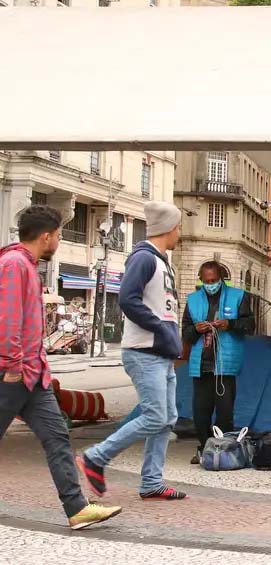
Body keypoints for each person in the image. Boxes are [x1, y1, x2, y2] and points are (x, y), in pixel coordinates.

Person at [0, 205, 122, 529]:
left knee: (57, 438)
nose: (59, 240)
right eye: (58, 235)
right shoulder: (14, 265)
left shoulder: (27, 265)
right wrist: (12, 365)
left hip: (33, 377)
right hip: (12, 374)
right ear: (46, 236)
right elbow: (8, 319)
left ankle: (76, 508)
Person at [78, 202, 187, 500]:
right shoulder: (144, 259)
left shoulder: (163, 262)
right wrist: (162, 330)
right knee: (154, 417)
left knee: (166, 418)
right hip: (144, 351)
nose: (180, 232)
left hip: (159, 354)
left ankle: (151, 481)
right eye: (178, 226)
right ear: (169, 227)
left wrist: (168, 336)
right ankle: (96, 457)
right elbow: (127, 299)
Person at [181, 260, 254, 464]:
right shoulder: (193, 300)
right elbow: (185, 331)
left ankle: (223, 449)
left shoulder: (238, 296)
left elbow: (250, 325)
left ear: (221, 278)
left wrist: (230, 324)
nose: (210, 283)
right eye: (206, 281)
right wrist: (196, 329)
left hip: (225, 365)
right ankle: (204, 449)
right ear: (201, 279)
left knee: (224, 411)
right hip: (201, 365)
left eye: (213, 280)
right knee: (200, 411)